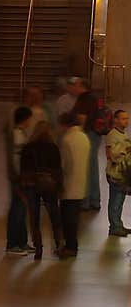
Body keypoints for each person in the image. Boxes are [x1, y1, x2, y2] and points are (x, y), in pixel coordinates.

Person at [20, 121, 64, 259]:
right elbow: (58, 169)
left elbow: (23, 169)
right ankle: (59, 244)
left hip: (32, 184)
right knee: (54, 216)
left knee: (34, 218)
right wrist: (59, 186)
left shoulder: (27, 148)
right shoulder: (53, 148)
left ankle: (38, 248)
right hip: (49, 185)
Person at [58, 112, 90, 257]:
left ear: (65, 124)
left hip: (69, 183)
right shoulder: (84, 137)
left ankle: (70, 247)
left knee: (68, 219)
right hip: (81, 182)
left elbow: (64, 165)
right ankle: (72, 245)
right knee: (74, 218)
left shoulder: (67, 140)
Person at [5, 106, 34, 255]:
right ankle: (12, 244)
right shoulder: (17, 135)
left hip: (21, 177)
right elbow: (16, 159)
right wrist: (19, 177)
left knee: (21, 210)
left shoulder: (19, 133)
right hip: (19, 178)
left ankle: (21, 242)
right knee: (17, 210)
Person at [70, 78, 101, 210]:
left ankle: (86, 201)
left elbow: (82, 118)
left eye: (75, 86)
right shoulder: (93, 97)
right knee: (92, 166)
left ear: (82, 86)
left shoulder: (85, 99)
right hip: (95, 134)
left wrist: (78, 134)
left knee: (86, 167)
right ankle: (94, 200)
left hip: (87, 134)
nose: (73, 88)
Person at [105, 109, 131, 237]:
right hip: (115, 173)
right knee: (115, 201)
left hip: (122, 174)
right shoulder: (112, 135)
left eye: (127, 119)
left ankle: (119, 224)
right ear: (115, 120)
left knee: (120, 201)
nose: (126, 121)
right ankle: (114, 226)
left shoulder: (123, 135)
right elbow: (110, 154)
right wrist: (125, 151)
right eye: (123, 118)